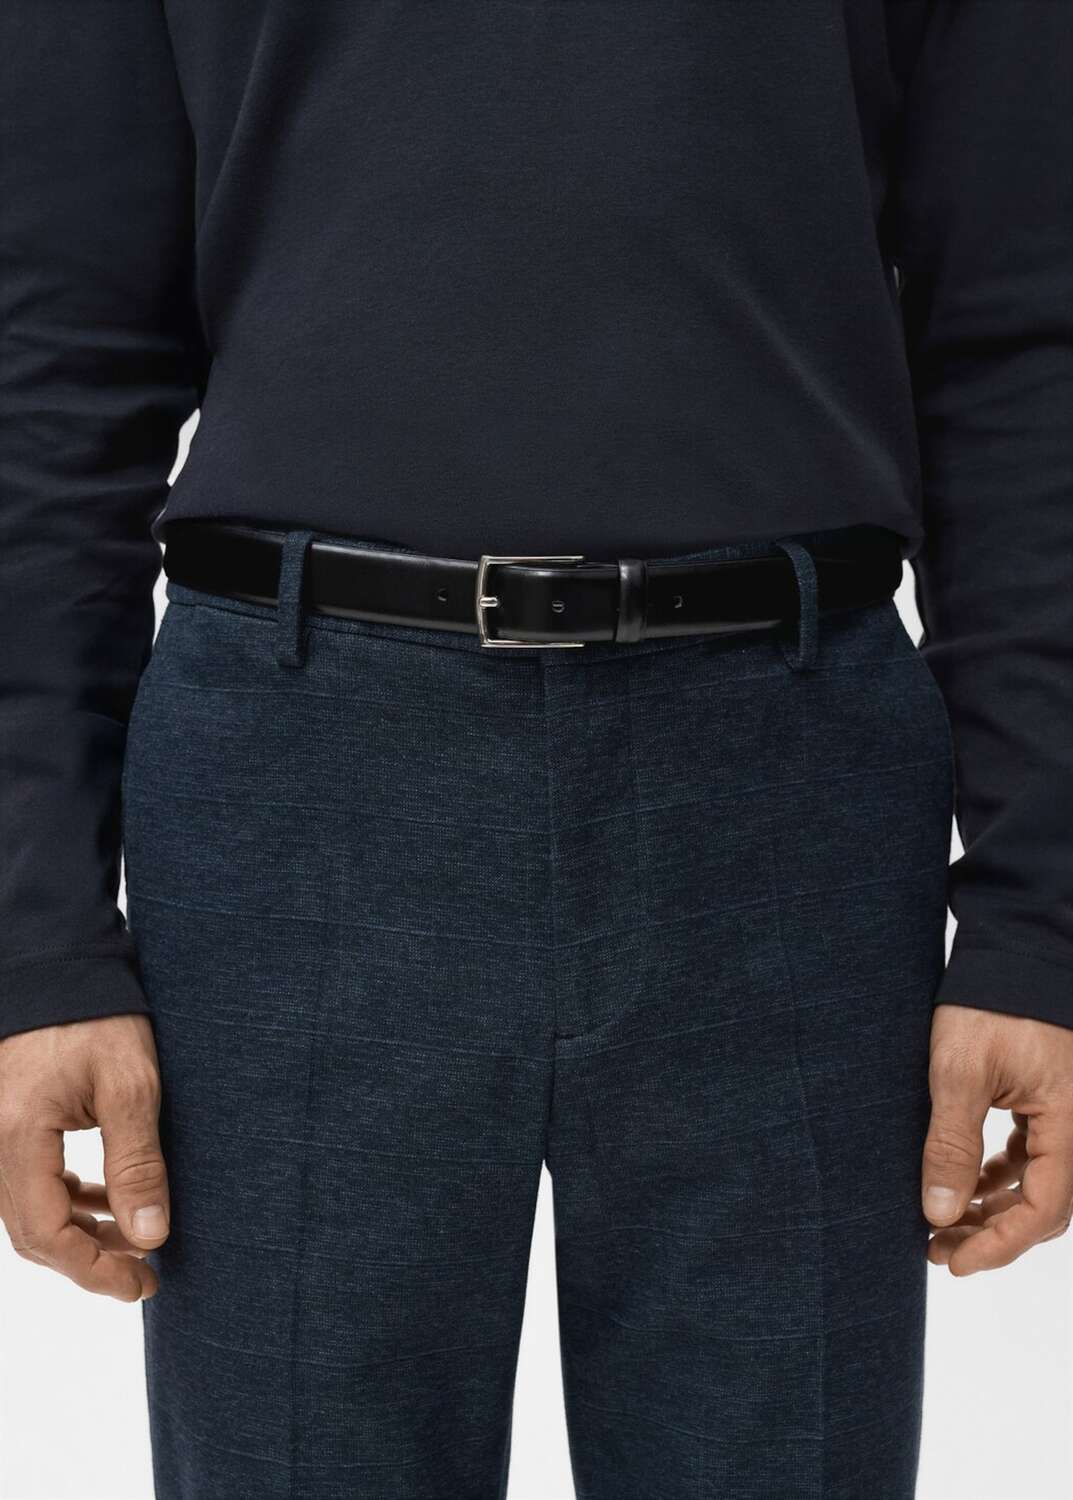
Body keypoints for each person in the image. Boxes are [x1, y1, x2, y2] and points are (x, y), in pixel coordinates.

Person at [0, 2, 1070, 1497]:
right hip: (299, 790)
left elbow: (1020, 341)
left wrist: (1037, 920)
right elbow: (53, 355)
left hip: (785, 788)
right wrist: (39, 935)